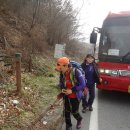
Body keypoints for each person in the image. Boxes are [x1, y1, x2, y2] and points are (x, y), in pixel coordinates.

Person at [55, 57, 86, 130]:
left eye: (61, 67)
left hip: (75, 96)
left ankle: (79, 119)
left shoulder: (76, 72)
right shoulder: (62, 73)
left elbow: (83, 84)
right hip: (66, 95)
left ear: (66, 66)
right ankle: (68, 125)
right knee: (66, 111)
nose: (60, 69)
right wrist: (62, 88)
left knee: (74, 112)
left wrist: (72, 90)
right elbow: (61, 82)